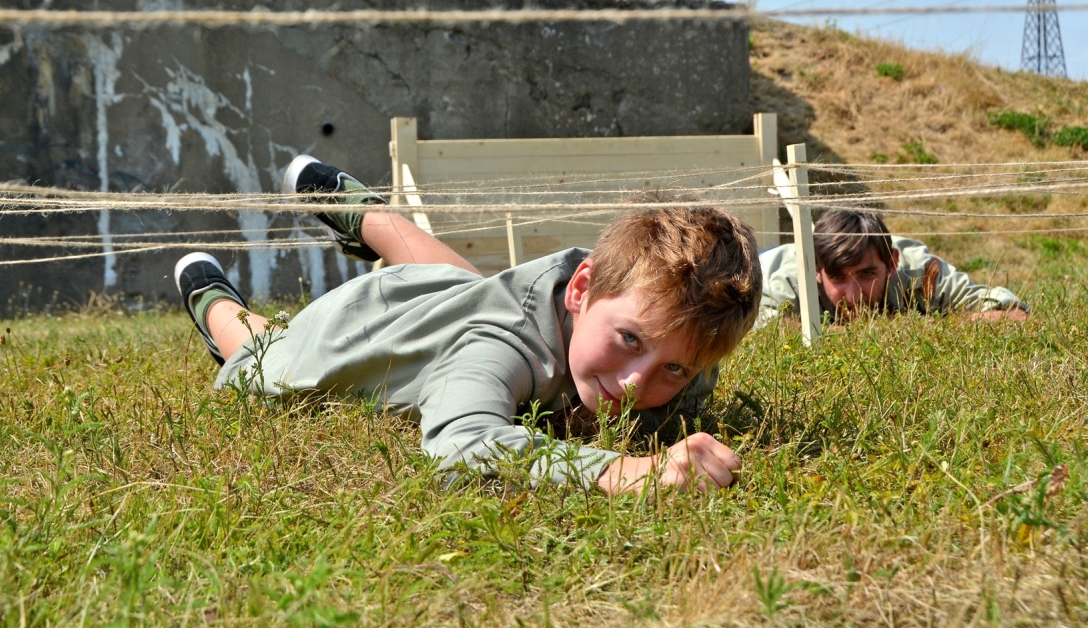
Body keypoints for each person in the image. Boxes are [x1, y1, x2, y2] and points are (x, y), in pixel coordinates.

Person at [174, 155, 763, 495]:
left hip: (452, 296)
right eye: (629, 340)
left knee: (467, 284)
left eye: (674, 367)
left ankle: (361, 212)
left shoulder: (664, 336)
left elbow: (679, 365)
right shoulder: (499, 346)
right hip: (347, 330)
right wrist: (620, 472)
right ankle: (215, 302)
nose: (636, 383)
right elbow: (462, 446)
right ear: (581, 288)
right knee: (262, 361)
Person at [757, 209, 1028, 329]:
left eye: (867, 275)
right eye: (838, 278)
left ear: (892, 263)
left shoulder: (918, 271)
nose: (853, 296)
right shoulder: (787, 284)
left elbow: (1014, 315)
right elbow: (762, 337)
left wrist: (931, 327)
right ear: (817, 270)